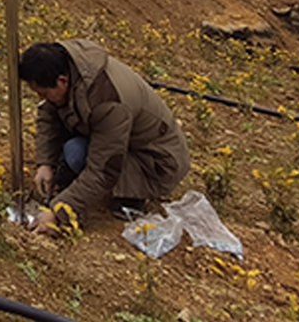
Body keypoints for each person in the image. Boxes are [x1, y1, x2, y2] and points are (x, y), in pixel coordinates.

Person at [19, 39, 191, 236]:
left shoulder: (109, 101)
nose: (42, 99)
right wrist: (45, 163)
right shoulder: (67, 66)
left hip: (155, 161)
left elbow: (104, 169)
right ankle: (76, 182)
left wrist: (59, 213)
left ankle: (133, 194)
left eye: (44, 93)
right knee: (73, 151)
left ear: (63, 81)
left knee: (76, 153)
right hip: (120, 139)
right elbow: (48, 115)